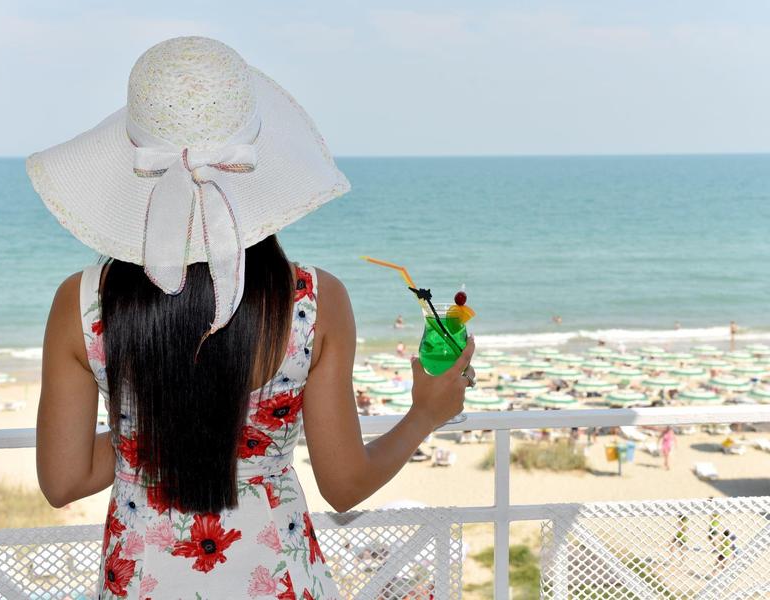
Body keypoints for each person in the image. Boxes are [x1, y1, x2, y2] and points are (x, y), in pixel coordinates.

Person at [29, 37, 476, 599]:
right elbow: (344, 484)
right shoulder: (315, 301)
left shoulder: (81, 305)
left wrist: (151, 429)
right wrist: (425, 413)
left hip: (141, 580)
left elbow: (64, 480)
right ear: (257, 168)